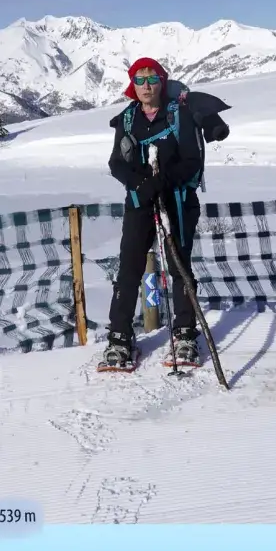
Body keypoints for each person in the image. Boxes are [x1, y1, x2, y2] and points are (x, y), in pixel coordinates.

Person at [102, 57, 230, 371]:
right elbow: (116, 163)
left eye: (152, 79)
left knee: (179, 266)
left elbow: (191, 161)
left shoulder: (179, 114)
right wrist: (140, 185)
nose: (146, 86)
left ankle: (185, 333)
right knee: (129, 268)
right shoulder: (128, 118)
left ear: (162, 82)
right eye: (140, 79)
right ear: (132, 85)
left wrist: (159, 182)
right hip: (139, 201)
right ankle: (119, 336)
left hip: (177, 201)